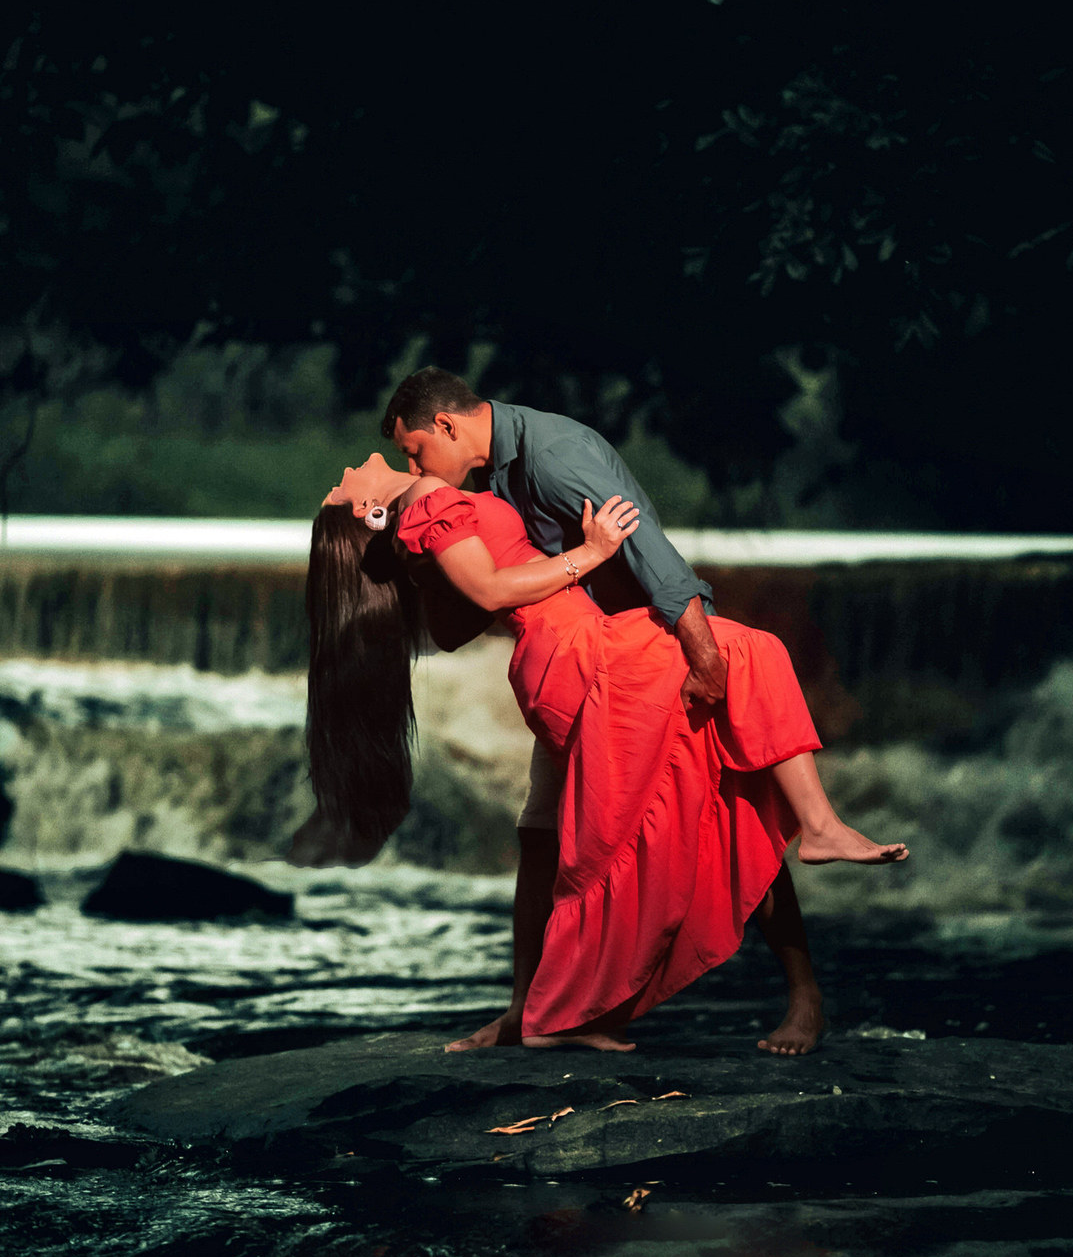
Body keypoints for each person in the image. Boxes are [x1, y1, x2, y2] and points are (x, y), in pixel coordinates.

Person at [297, 431, 908, 1054]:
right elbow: (489, 594)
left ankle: (538, 1012)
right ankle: (561, 1011)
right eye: (336, 489)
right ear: (360, 512)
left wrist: (429, 567)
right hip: (592, 667)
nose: (347, 465)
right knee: (745, 694)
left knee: (552, 836)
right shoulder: (429, 497)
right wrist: (591, 552)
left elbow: (456, 626)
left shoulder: (451, 503)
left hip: (577, 666)